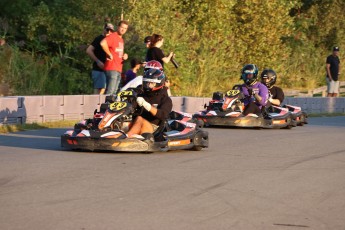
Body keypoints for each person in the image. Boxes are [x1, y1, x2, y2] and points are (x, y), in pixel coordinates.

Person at [110, 68, 173, 139]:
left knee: (139, 118)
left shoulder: (165, 99)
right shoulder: (140, 94)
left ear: (158, 84)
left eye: (151, 83)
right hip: (136, 123)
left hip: (153, 128)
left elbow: (163, 115)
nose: (148, 85)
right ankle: (106, 133)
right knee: (119, 121)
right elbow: (130, 106)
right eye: (146, 82)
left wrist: (147, 105)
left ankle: (126, 137)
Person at [100, 20, 129, 94]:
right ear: (118, 27)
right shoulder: (113, 36)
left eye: (125, 28)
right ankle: (105, 105)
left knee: (114, 93)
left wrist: (124, 56)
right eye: (122, 27)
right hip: (111, 67)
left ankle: (109, 105)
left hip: (118, 69)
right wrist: (109, 54)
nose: (123, 30)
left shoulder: (121, 39)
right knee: (110, 92)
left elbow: (117, 52)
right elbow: (103, 43)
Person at [86, 23, 114, 94]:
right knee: (99, 90)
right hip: (99, 69)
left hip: (108, 70)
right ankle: (95, 105)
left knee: (106, 90)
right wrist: (98, 61)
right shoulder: (99, 39)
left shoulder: (111, 40)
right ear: (104, 29)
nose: (109, 32)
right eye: (107, 30)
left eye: (111, 31)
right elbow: (89, 50)